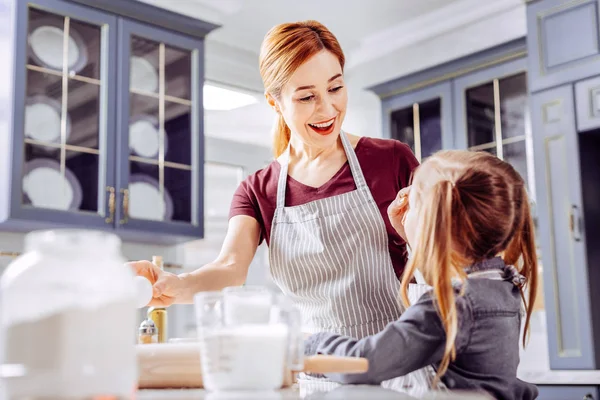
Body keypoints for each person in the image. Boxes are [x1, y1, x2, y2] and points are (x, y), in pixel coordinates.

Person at [129, 20, 418, 340]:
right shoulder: (257, 190)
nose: (328, 108)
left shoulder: (391, 159)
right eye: (307, 97)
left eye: (335, 88)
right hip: (314, 366)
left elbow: (445, 255)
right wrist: (177, 286)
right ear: (275, 102)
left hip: (399, 358)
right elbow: (230, 267)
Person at [303, 150, 539, 399]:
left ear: (431, 224)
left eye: (413, 203)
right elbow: (446, 268)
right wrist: (412, 238)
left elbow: (365, 364)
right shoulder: (501, 284)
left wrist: (310, 345)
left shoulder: (450, 306)